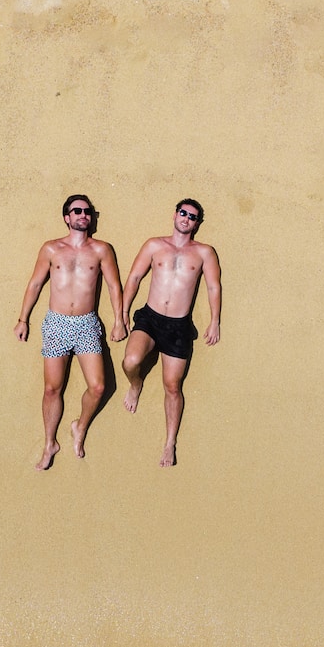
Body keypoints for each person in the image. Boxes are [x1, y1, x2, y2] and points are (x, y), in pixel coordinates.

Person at [14, 194, 127, 470]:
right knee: (52, 388)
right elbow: (35, 284)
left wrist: (119, 321)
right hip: (56, 323)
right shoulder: (51, 249)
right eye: (76, 211)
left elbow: (114, 286)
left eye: (87, 211)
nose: (83, 215)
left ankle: (80, 426)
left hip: (87, 324)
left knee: (98, 387)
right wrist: (23, 319)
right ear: (67, 217)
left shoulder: (101, 250)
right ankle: (50, 442)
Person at [120, 198, 222, 466]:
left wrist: (215, 321)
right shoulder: (154, 245)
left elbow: (213, 286)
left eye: (192, 216)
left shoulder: (204, 253)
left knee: (173, 386)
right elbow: (133, 278)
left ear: (197, 223)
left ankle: (169, 443)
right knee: (130, 361)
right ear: (175, 214)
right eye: (183, 213)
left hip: (179, 325)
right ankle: (135, 383)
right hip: (150, 318)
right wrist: (121, 315)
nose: (186, 218)